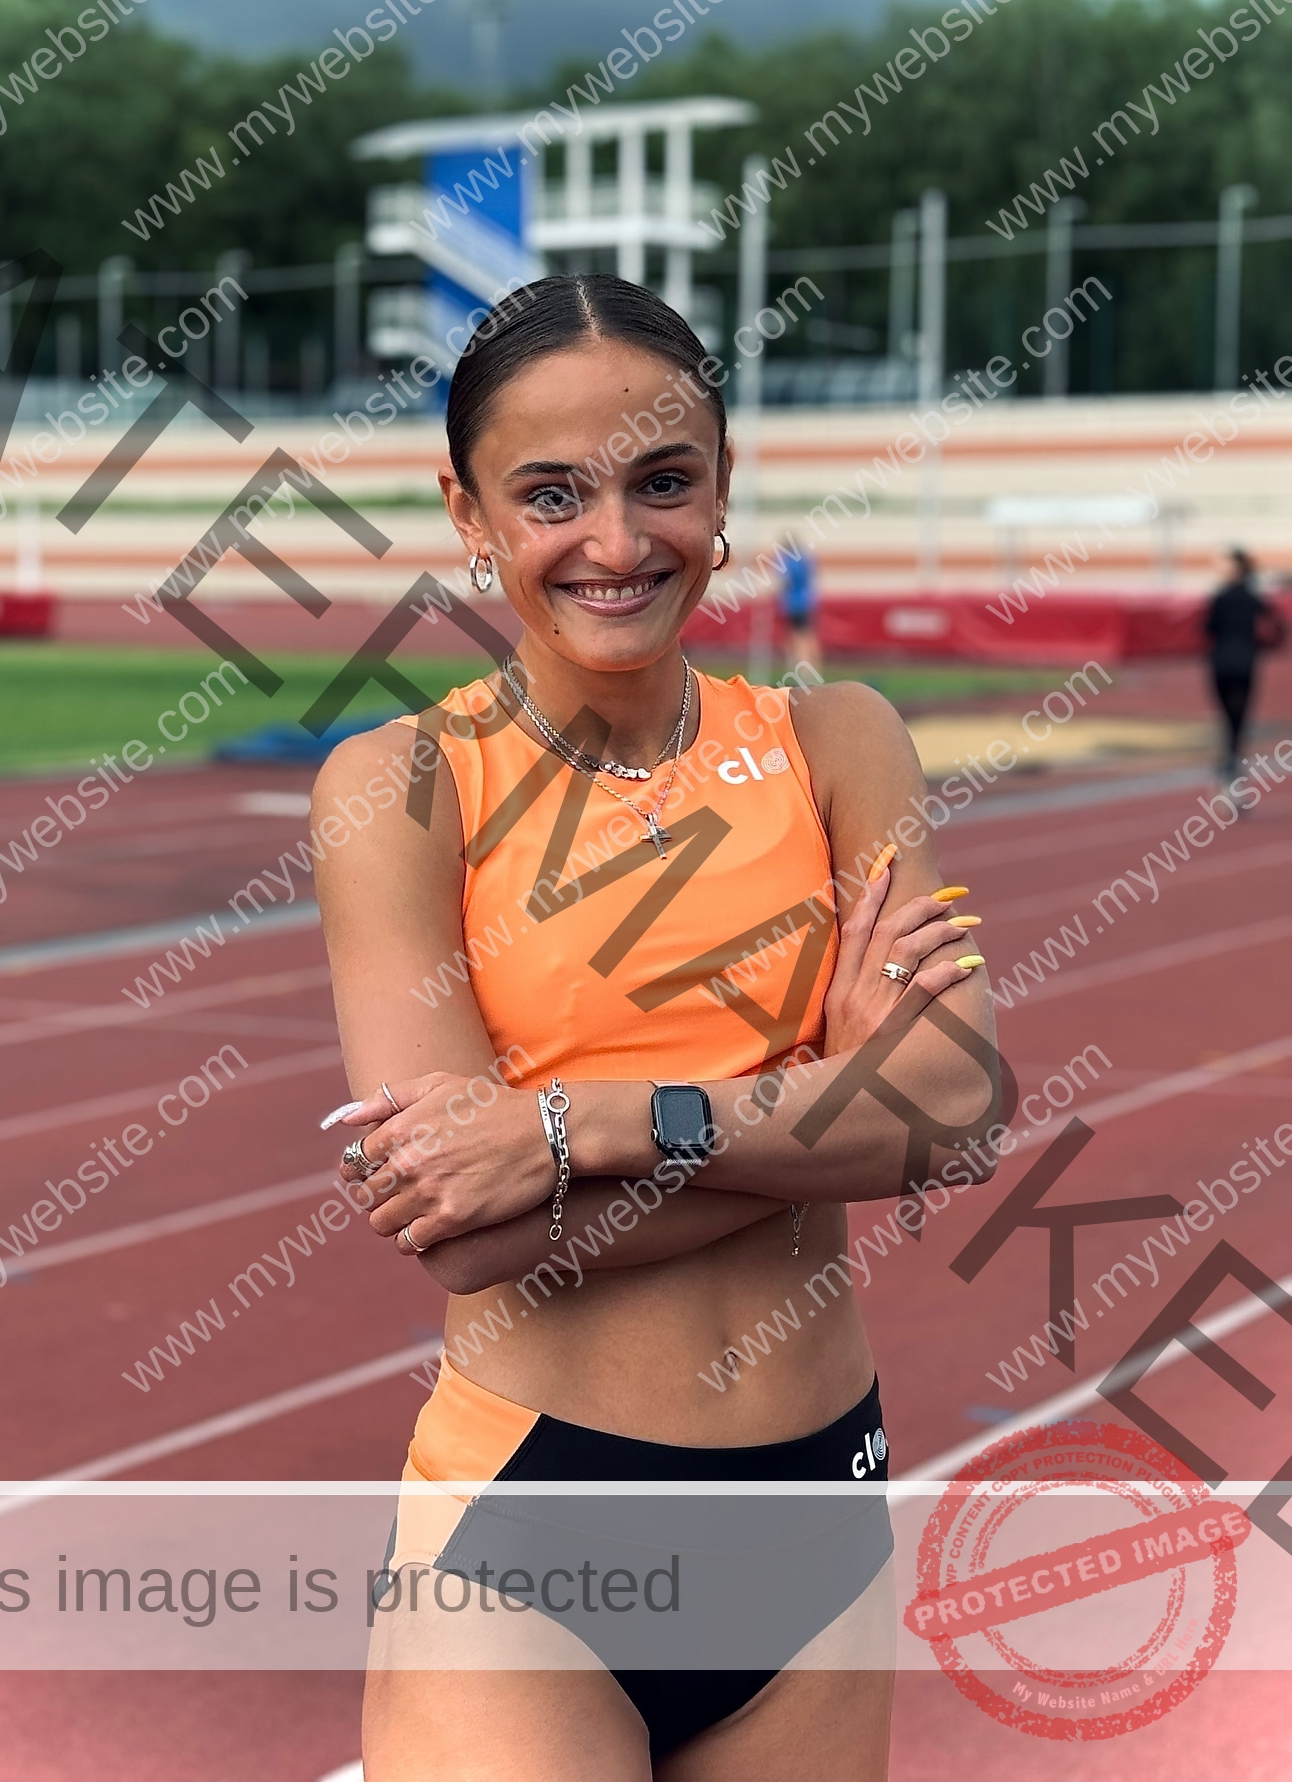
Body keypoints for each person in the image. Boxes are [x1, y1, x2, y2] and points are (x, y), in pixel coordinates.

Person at [313, 276, 998, 1781]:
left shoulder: (841, 744)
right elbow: (466, 1229)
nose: (617, 543)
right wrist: (829, 1103)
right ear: (467, 511)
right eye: (550, 492)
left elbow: (957, 1106)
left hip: (819, 1507)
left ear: (724, 490)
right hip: (530, 1536)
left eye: (662, 482)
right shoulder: (401, 787)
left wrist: (576, 1128)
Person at [1205, 549, 1286, 785]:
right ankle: (1233, 760)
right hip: (1245, 663)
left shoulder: (1220, 598)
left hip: (1221, 663)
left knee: (1227, 715)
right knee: (1239, 716)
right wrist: (1260, 644)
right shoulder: (1254, 599)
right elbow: (1277, 628)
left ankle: (1229, 761)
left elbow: (1208, 629)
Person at [780, 536, 822, 677]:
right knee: (806, 635)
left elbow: (787, 581)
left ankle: (801, 666)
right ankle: (810, 665)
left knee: (798, 637)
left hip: (794, 603)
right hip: (806, 601)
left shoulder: (790, 561)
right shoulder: (805, 559)